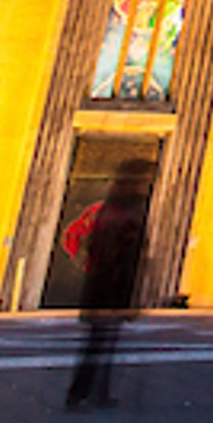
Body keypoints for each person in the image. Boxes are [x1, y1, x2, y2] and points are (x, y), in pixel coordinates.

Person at [63, 158, 153, 409]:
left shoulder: (118, 209)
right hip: (108, 290)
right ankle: (80, 394)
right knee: (97, 345)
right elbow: (117, 256)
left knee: (102, 344)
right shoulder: (122, 213)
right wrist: (123, 296)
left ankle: (94, 393)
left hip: (106, 290)